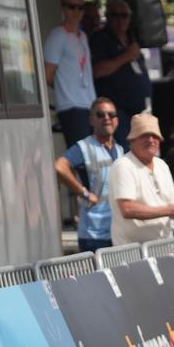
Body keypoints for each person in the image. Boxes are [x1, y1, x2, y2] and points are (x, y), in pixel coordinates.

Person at [107, 113, 174, 245]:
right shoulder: (123, 165)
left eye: (155, 135)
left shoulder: (161, 165)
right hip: (132, 254)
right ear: (132, 139)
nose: (150, 140)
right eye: (144, 135)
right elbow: (127, 209)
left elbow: (173, 205)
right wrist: (171, 210)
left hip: (163, 247)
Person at [54, 96, 124, 252]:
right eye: (100, 115)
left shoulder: (119, 150)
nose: (107, 118)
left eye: (111, 115)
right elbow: (59, 166)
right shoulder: (83, 147)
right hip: (93, 235)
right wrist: (83, 192)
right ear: (91, 120)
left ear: (117, 121)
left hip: (116, 231)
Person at [90, 0, 152, 146]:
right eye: (115, 15)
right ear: (108, 17)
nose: (120, 20)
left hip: (139, 112)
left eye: (124, 16)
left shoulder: (131, 40)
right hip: (117, 113)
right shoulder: (100, 39)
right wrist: (126, 56)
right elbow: (98, 71)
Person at [43, 0, 97, 149]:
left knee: (94, 155)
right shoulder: (57, 35)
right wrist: (65, 86)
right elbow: (48, 74)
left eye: (80, 7)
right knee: (81, 155)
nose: (76, 11)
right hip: (71, 105)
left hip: (89, 104)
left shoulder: (82, 36)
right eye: (71, 7)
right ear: (63, 8)